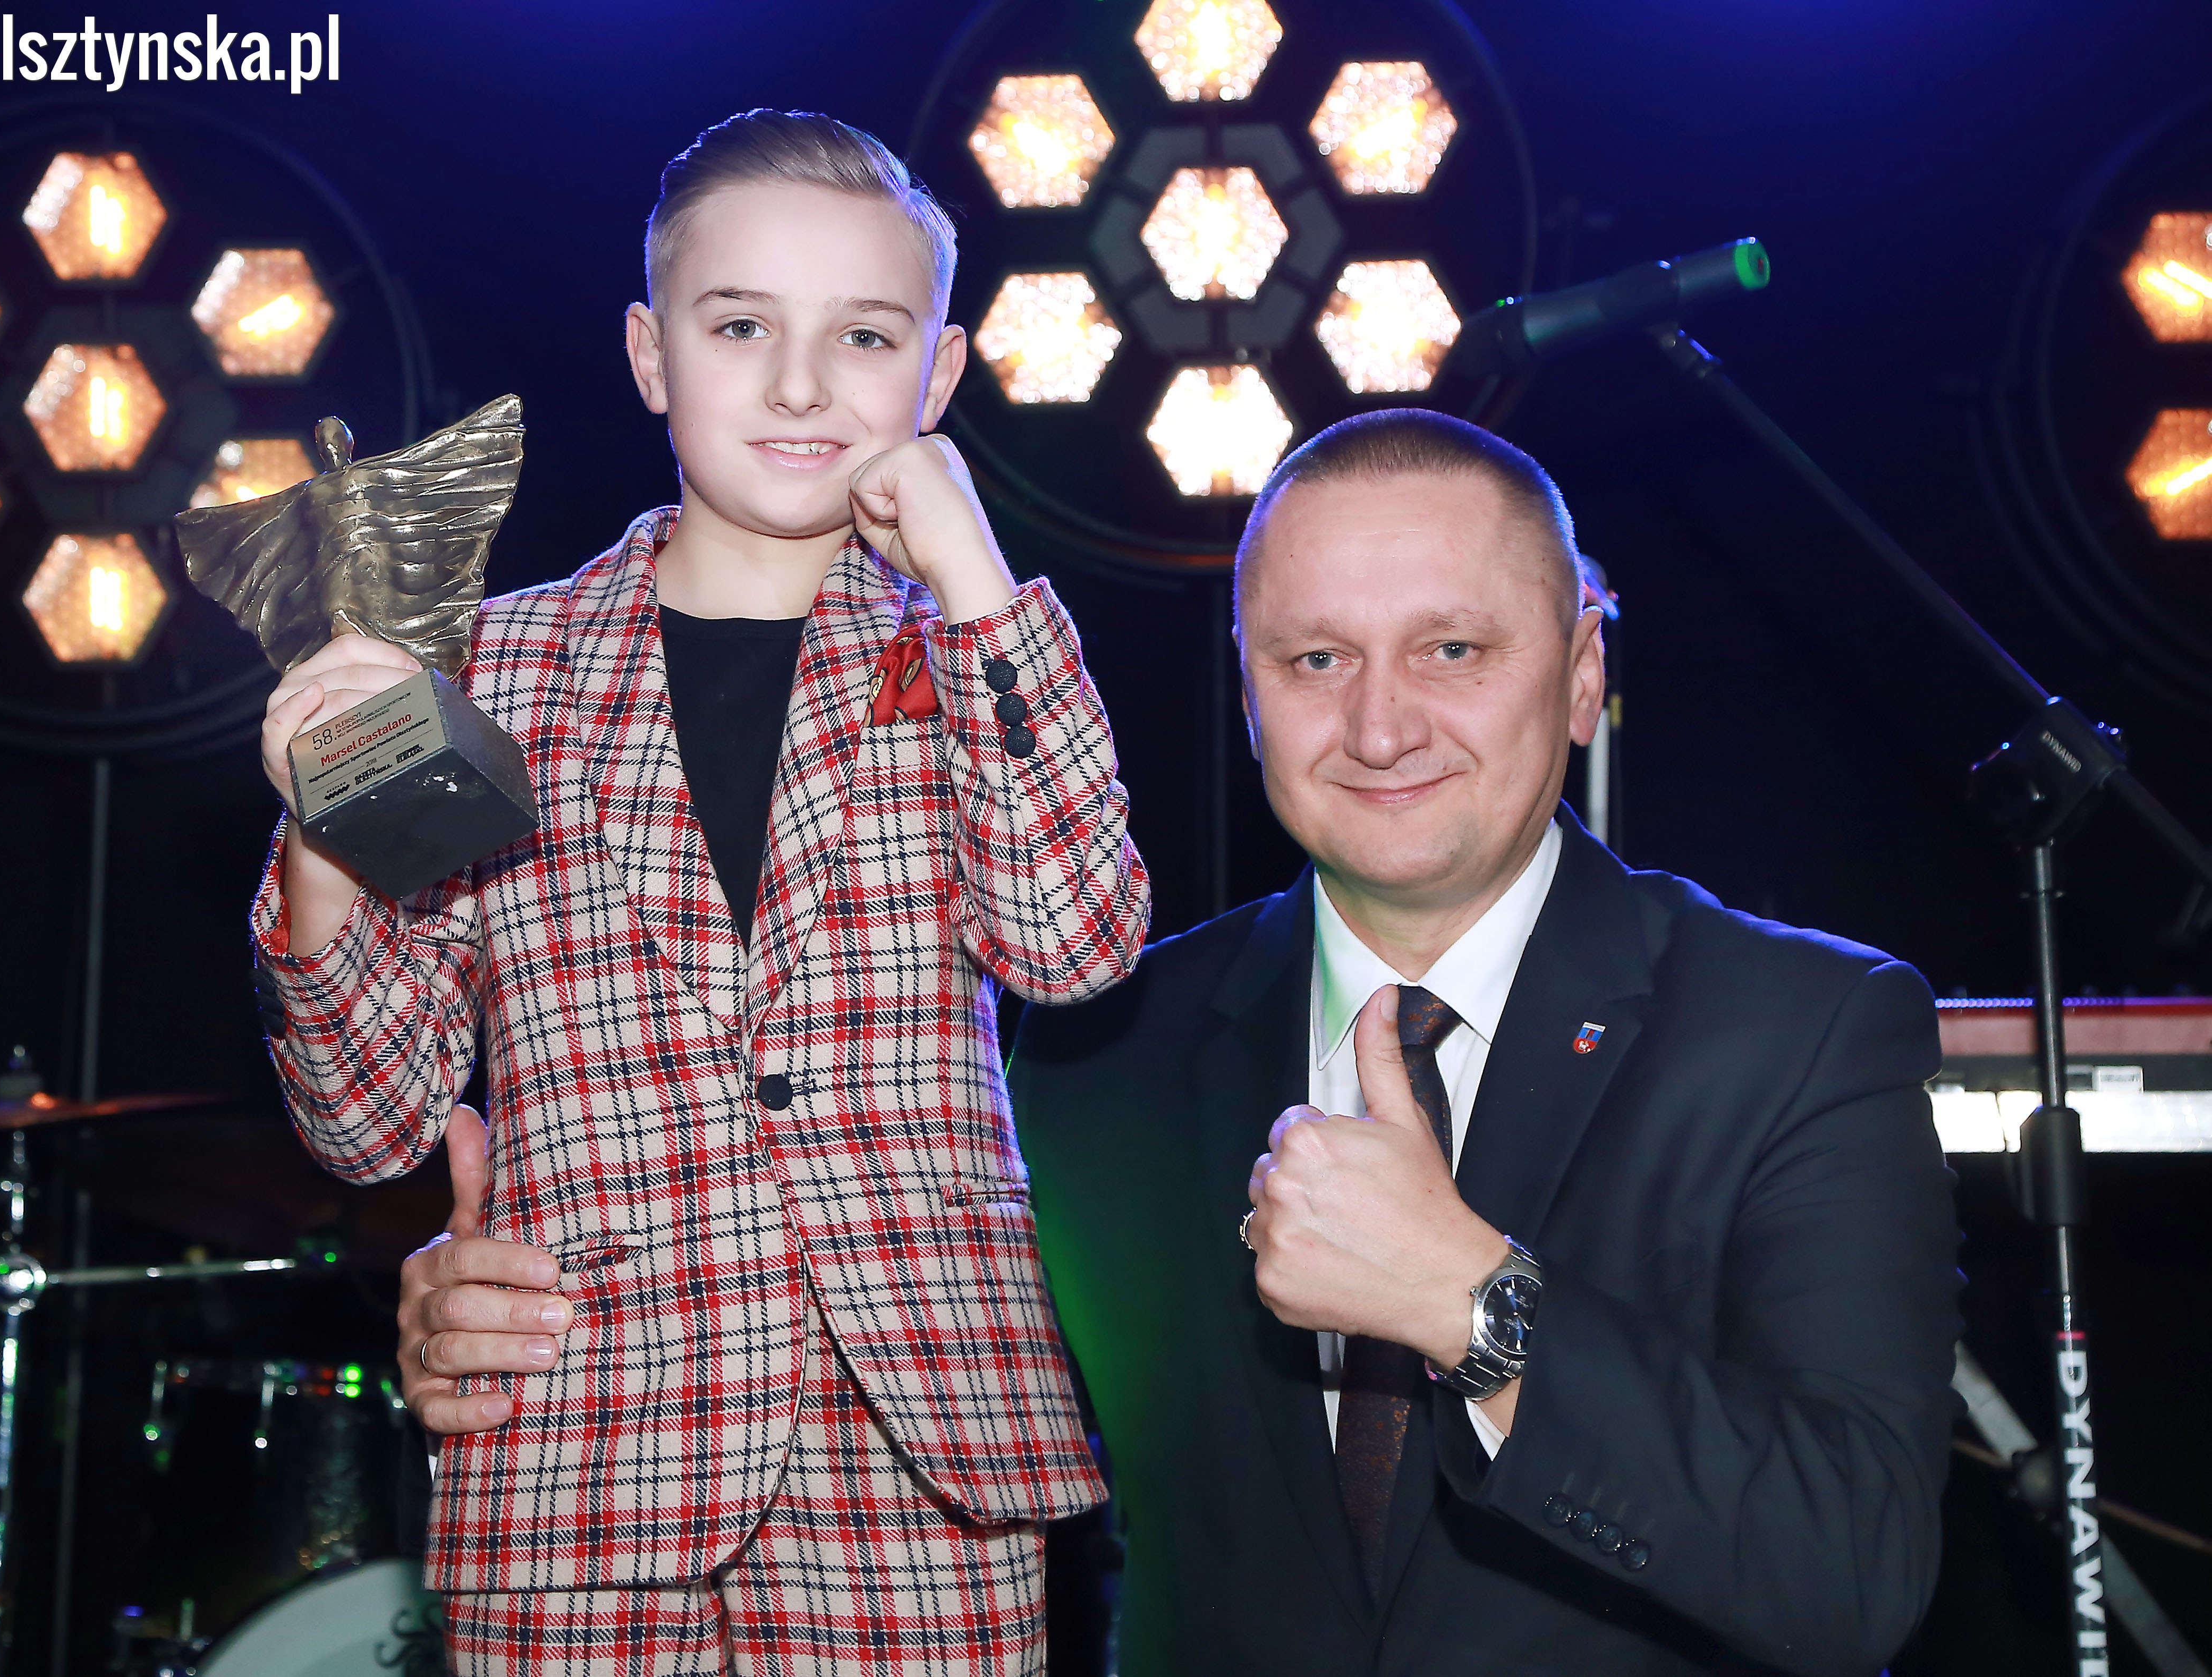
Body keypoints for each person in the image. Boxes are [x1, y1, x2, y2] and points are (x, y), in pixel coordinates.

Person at [406, 408, 1962, 1676]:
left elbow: (1853, 1574)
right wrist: (515, 1310)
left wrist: (1473, 1307)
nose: (1380, 726)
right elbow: (850, 1336)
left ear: (1584, 673)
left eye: (1454, 651)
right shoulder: (1098, 1053)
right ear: (1249, 690)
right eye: (1316, 660)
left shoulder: (1802, 1028)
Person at [256, 109, 1149, 1673]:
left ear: (939, 375)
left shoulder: (968, 648)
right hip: (578, 1458)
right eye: (740, 327)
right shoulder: (494, 672)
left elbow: (1075, 942)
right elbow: (371, 1120)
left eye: (864, 335)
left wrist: (975, 581)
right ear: (650, 353)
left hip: (918, 1463)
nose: (800, 385)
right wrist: (325, 832)